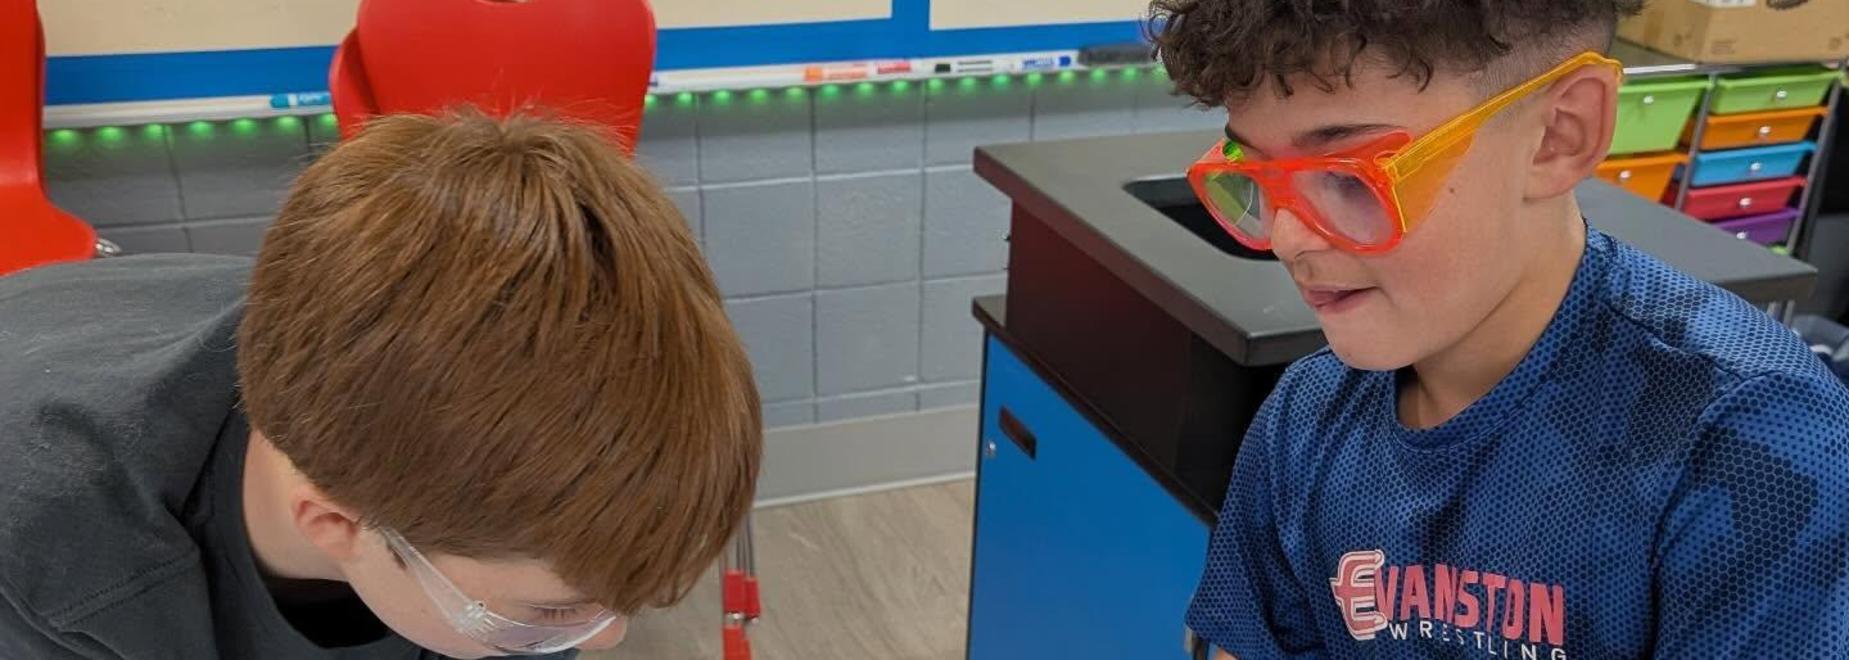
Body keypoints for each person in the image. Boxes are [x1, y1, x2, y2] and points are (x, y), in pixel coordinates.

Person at [1150, 1, 1849, 658]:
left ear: (1557, 134)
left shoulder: (1754, 448)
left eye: (1348, 176)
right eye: (1257, 177)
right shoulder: (1305, 419)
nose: (1288, 237)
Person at [0, 113, 762, 659]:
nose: (609, 637)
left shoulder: (380, 350)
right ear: (332, 526)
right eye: (553, 613)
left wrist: (532, 619)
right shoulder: (58, 563)